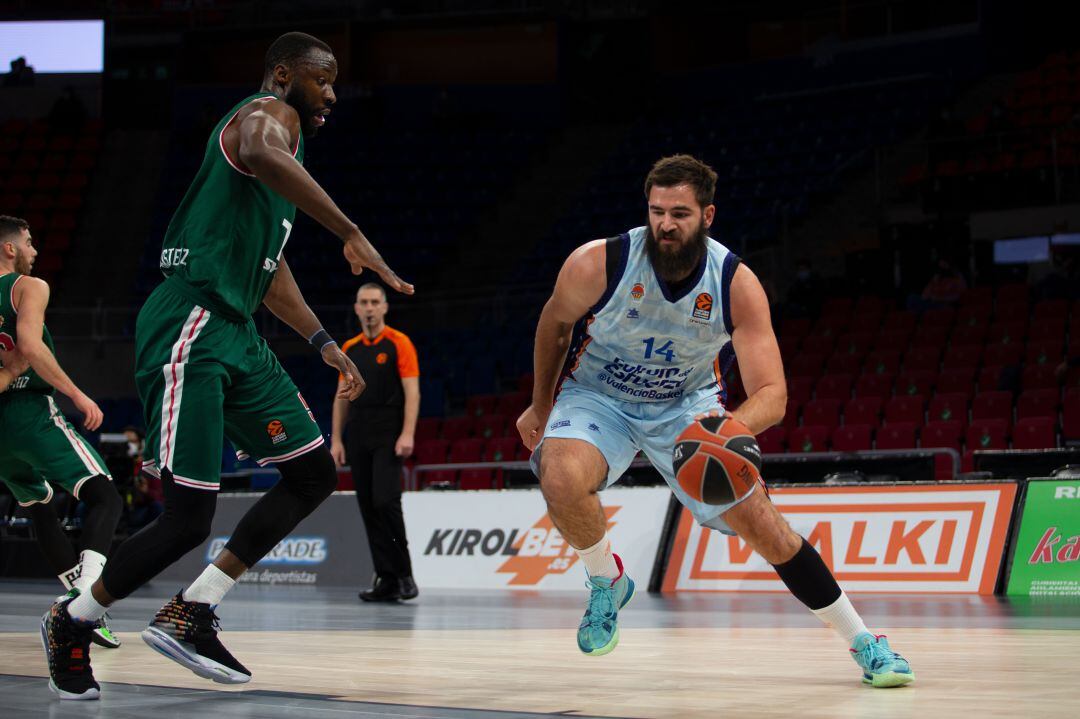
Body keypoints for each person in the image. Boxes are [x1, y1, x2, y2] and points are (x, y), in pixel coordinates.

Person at [42, 31, 413, 701]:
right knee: (188, 517)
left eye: (334, 82)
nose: (331, 93)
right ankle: (74, 621)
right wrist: (349, 229)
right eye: (321, 79)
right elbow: (260, 148)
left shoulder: (277, 172)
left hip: (238, 330)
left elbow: (270, 274)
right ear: (282, 75)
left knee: (311, 472)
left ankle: (194, 608)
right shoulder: (266, 117)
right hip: (194, 321)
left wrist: (325, 341)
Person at [516, 155, 914, 688]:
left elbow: (772, 393)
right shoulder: (598, 263)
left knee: (766, 528)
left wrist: (728, 431)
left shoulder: (735, 283)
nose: (666, 224)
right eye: (657, 211)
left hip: (687, 404)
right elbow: (554, 326)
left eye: (680, 212)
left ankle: (865, 641)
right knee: (559, 476)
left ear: (708, 215)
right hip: (598, 395)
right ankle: (605, 580)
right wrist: (543, 407)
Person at [0, 216, 124, 656]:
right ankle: (85, 606)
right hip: (31, 413)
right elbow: (30, 347)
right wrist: (76, 393)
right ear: (10, 249)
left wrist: (7, 370)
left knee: (39, 508)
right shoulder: (28, 287)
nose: (34, 251)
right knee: (106, 495)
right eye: (29, 243)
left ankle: (80, 604)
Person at [330, 283, 420, 602]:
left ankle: (405, 574)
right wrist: (337, 439)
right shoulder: (350, 347)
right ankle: (386, 579)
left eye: (374, 302)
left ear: (384, 307)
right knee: (367, 507)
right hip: (358, 432)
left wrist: (407, 433)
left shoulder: (399, 343)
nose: (369, 308)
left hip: (388, 431)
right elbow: (341, 398)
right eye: (363, 302)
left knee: (385, 501)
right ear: (356, 308)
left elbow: (412, 391)